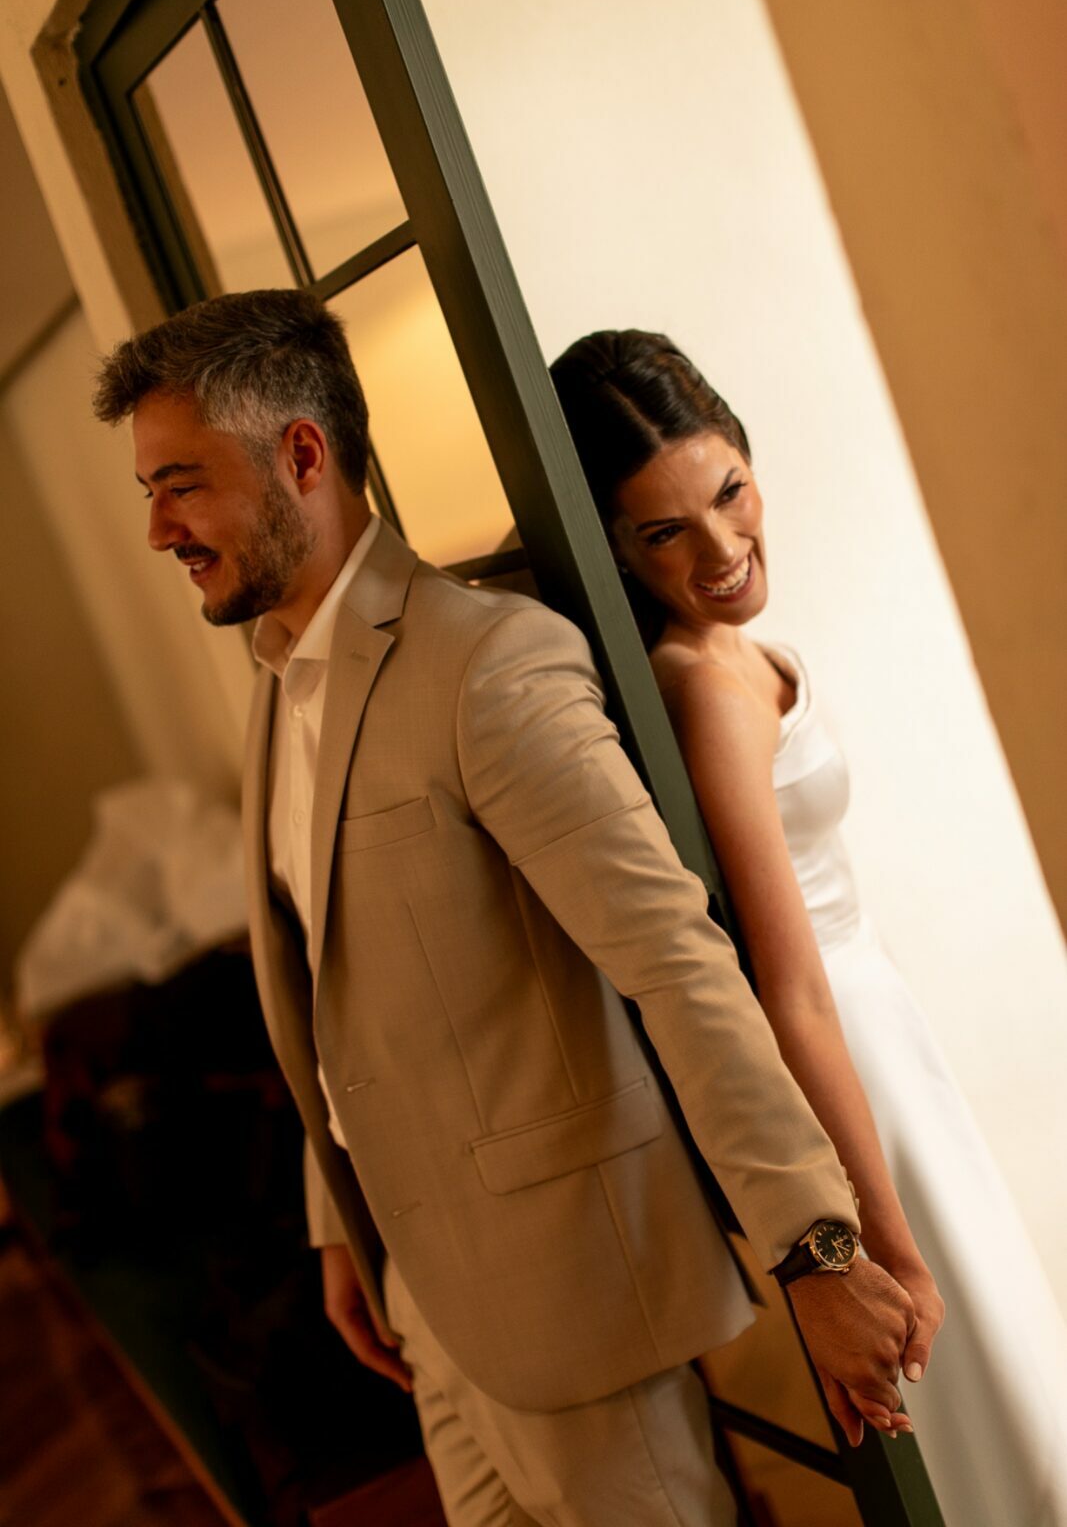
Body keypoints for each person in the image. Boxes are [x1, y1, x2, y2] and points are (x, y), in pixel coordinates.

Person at [94, 290, 920, 1527]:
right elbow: (337, 992)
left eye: (181, 485)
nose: (160, 528)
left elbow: (675, 962)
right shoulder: (275, 677)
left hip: (576, 1309)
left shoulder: (485, 663)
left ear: (301, 455)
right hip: (427, 1309)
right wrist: (338, 1223)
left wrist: (815, 1248)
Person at [550, 327, 1067, 1527]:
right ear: (615, 545)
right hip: (847, 1066)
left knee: (1023, 1386)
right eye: (663, 532)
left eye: (728, 491)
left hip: (884, 1032)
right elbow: (783, 990)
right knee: (1006, 1416)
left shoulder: (732, 654)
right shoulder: (699, 684)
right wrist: (878, 1237)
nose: (722, 548)